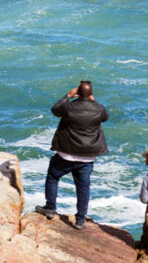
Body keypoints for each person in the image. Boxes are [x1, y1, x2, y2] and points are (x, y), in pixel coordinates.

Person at [34, 80, 109, 230]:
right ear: (91, 94)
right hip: (87, 157)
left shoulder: (69, 107)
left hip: (66, 154)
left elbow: (55, 110)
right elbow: (105, 117)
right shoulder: (99, 109)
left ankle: (50, 208)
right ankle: (80, 220)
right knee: (83, 187)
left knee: (53, 176)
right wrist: (92, 100)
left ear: (78, 93)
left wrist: (68, 95)